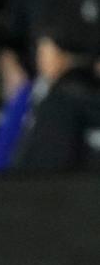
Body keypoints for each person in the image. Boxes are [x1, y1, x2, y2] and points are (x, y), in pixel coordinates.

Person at [14, 27, 100, 171]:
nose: (39, 59)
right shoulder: (46, 95)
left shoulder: (60, 103)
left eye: (44, 52)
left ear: (64, 56)